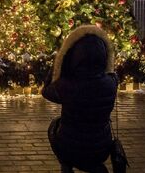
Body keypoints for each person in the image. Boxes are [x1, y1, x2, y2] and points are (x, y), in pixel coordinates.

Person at [42, 25, 117, 173]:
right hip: (101, 147)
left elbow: (46, 91)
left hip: (71, 147)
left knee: (54, 126)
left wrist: (58, 63)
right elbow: (110, 72)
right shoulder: (111, 82)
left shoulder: (67, 85)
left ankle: (66, 165)